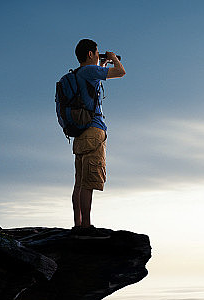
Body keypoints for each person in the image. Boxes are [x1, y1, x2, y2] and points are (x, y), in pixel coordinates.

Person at [70, 38, 125, 238]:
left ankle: (78, 223)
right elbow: (120, 72)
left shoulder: (78, 74)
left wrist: (102, 63)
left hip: (80, 134)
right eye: (96, 52)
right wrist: (113, 59)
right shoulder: (89, 71)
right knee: (89, 181)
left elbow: (96, 79)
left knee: (79, 181)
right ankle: (86, 225)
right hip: (94, 132)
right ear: (90, 54)